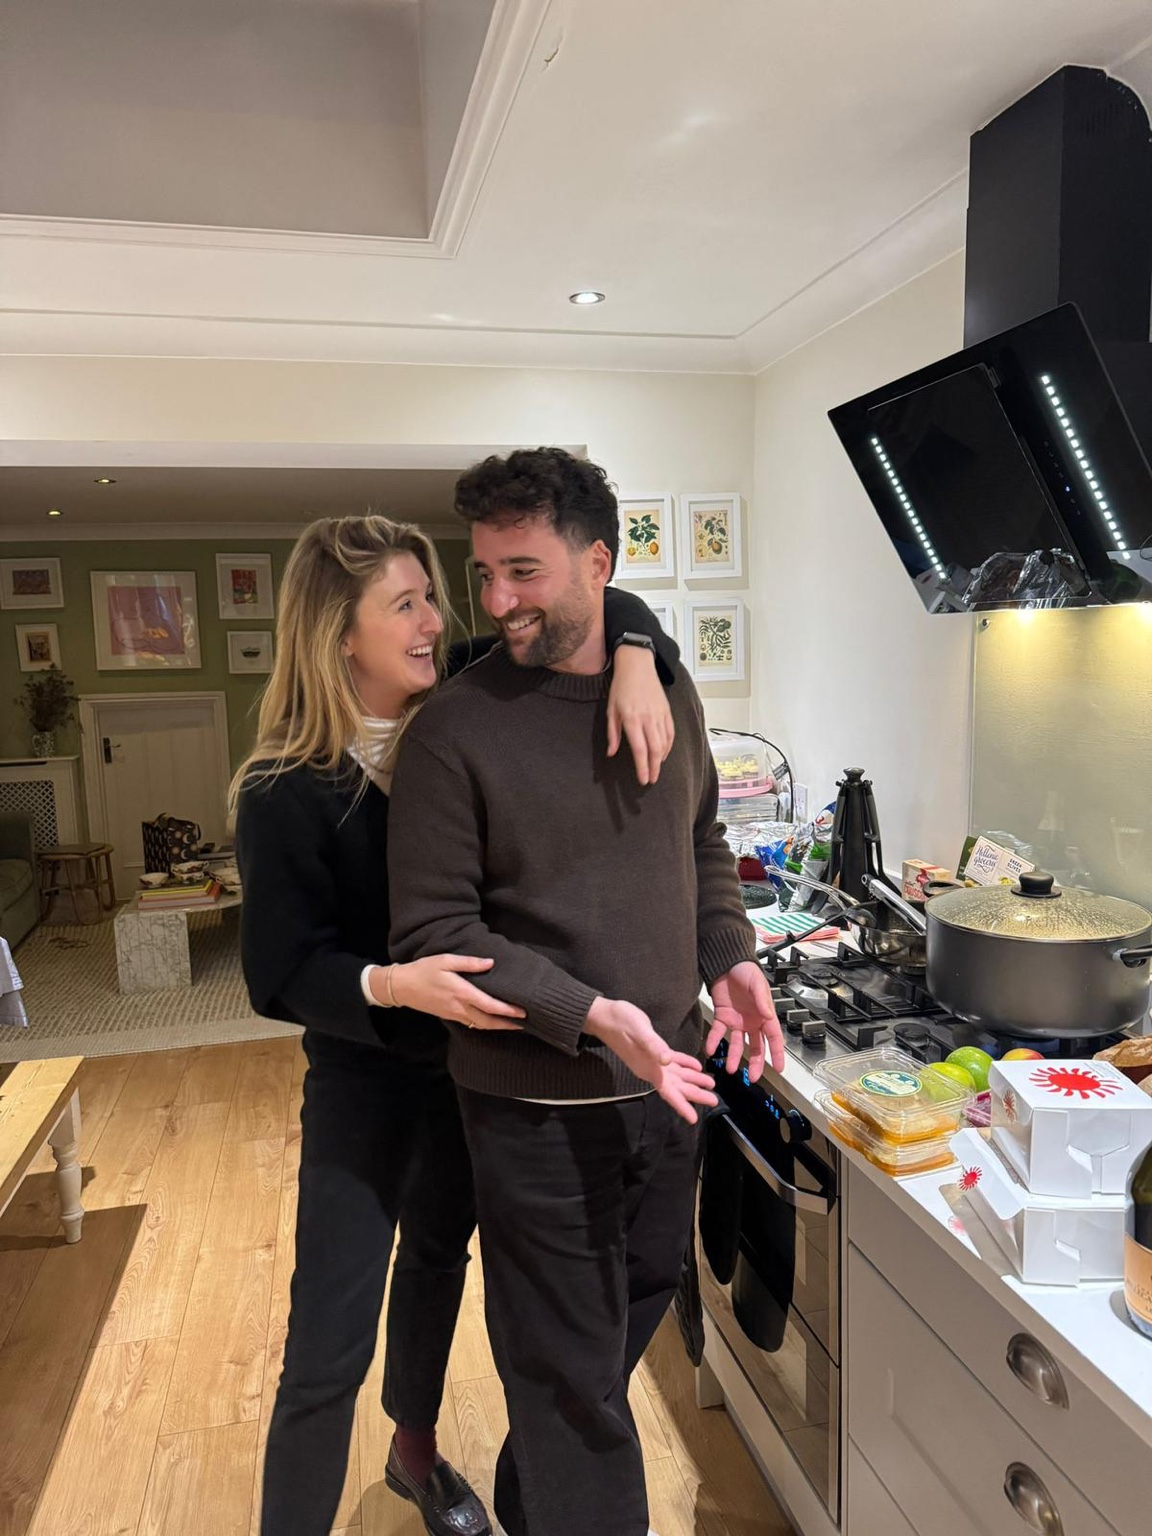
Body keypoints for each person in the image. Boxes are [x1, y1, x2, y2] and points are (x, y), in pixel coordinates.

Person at [233, 513, 680, 1536]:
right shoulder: (283, 789)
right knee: (325, 1347)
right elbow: (280, 973)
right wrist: (395, 986)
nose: (439, 620)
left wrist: (640, 657)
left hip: (476, 1068)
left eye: (433, 594)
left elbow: (595, 601)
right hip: (363, 1078)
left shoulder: (465, 696)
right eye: (407, 604)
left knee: (439, 1258)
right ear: (339, 634)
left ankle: (417, 1452)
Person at [387, 448, 785, 1536]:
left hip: (670, 1089)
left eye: (525, 571)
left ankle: (535, 1497)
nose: (498, 600)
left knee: (629, 1318)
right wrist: (589, 1014)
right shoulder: (455, 731)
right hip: (534, 1108)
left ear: (597, 562)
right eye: (485, 575)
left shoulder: (666, 685)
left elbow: (699, 841)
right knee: (571, 1382)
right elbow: (437, 933)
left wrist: (730, 958)